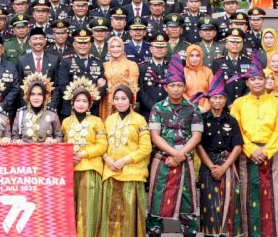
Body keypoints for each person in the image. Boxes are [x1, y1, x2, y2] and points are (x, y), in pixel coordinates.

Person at [230, 61, 278, 237]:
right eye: (253, 79)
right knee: (247, 197)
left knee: (277, 198)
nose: (257, 82)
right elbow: (236, 130)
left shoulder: (277, 103)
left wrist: (266, 151)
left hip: (273, 155)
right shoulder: (238, 104)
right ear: (247, 82)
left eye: (260, 78)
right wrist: (251, 149)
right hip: (247, 156)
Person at [146, 55, 203, 237]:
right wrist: (173, 153)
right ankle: (155, 230)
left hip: (185, 160)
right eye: (172, 85)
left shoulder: (193, 108)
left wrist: (180, 155)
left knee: (187, 201)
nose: (176, 89)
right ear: (165, 87)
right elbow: (155, 136)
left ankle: (190, 231)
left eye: (179, 85)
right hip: (163, 160)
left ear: (184, 87)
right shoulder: (157, 108)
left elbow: (196, 135)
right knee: (157, 199)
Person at [194, 71, 243, 237]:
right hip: (208, 163)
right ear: (208, 99)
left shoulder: (232, 120)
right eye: (214, 97)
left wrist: (224, 167)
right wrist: (211, 166)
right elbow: (198, 145)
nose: (218, 101)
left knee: (231, 201)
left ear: (225, 100)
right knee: (209, 203)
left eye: (221, 97)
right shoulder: (201, 119)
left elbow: (237, 146)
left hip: (228, 162)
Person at [100, 82, 151, 237]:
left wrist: (124, 161)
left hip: (132, 173)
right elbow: (102, 144)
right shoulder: (108, 120)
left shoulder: (140, 120)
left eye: (124, 98)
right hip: (111, 172)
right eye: (117, 98)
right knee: (110, 215)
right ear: (113, 101)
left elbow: (146, 148)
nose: (120, 102)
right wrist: (107, 158)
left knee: (129, 217)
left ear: (131, 100)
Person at [61, 77, 106, 237]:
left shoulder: (97, 121)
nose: (81, 103)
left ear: (90, 104)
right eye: (78, 100)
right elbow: (61, 145)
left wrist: (83, 154)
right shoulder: (65, 122)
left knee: (88, 209)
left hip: (90, 169)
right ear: (72, 103)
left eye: (84, 101)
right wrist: (68, 156)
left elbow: (102, 145)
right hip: (70, 171)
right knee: (69, 209)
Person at [12, 74, 63, 144]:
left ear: (44, 96)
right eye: (33, 94)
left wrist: (55, 140)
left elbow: (59, 136)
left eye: (39, 94)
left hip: (47, 153)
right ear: (28, 96)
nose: (36, 97)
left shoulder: (52, 114)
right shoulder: (20, 114)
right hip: (25, 153)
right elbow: (14, 136)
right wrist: (16, 141)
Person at [100, 36, 139, 120]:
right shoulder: (105, 65)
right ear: (108, 49)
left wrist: (129, 104)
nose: (115, 49)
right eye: (112, 46)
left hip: (123, 102)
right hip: (107, 103)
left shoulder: (131, 64)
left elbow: (133, 88)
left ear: (123, 47)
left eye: (118, 46)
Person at [182, 45, 213, 109]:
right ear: (187, 57)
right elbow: (180, 92)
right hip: (185, 109)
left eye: (197, 55)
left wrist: (205, 108)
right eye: (191, 55)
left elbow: (213, 91)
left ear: (201, 57)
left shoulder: (208, 71)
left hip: (205, 110)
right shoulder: (182, 72)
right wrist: (192, 105)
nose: (194, 58)